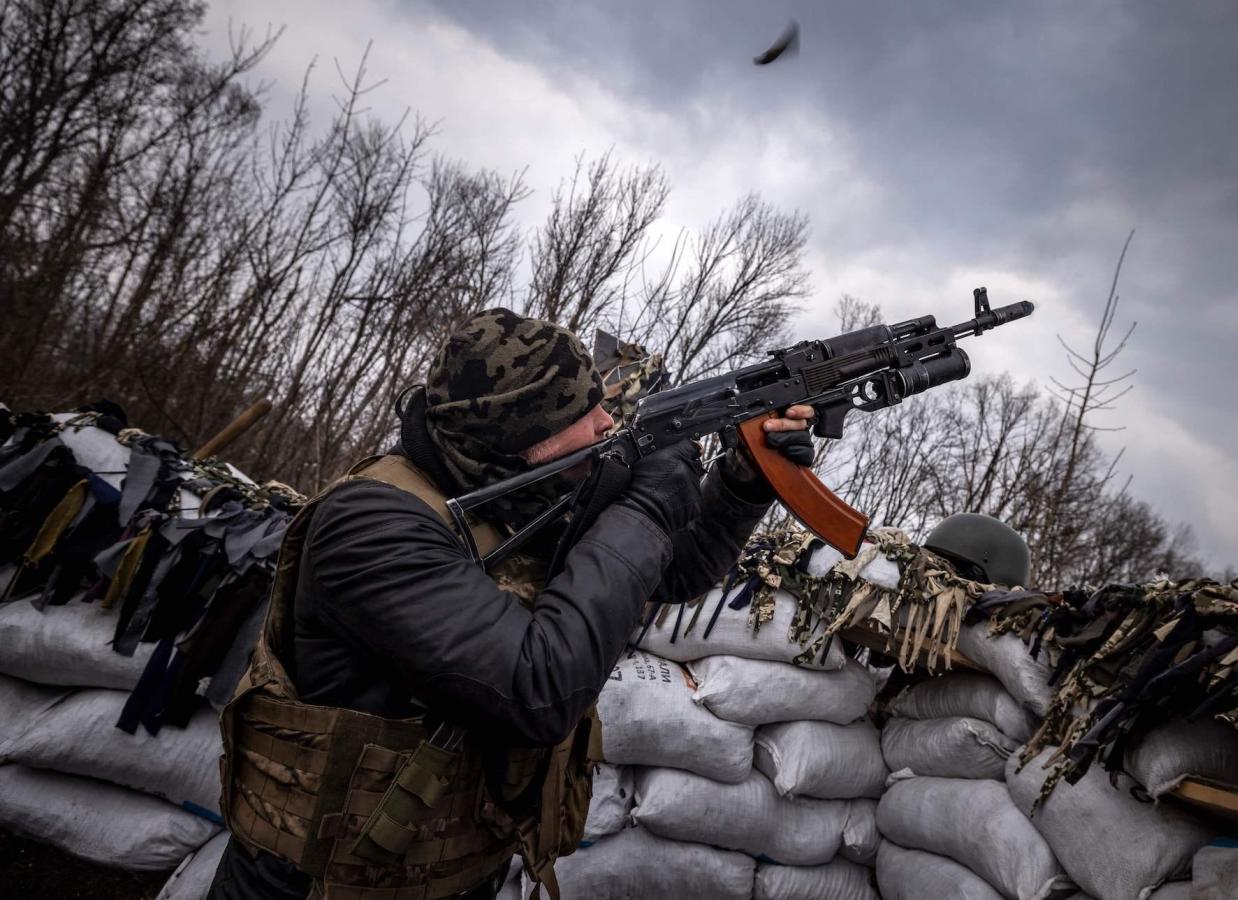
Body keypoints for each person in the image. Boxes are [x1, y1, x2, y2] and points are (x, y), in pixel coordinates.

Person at [208, 308, 815, 900]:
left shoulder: (524, 497)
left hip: (454, 869)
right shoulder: (372, 522)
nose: (607, 421)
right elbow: (537, 688)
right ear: (524, 435)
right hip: (317, 880)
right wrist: (646, 507)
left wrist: (741, 481)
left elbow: (672, 571)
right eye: (583, 412)